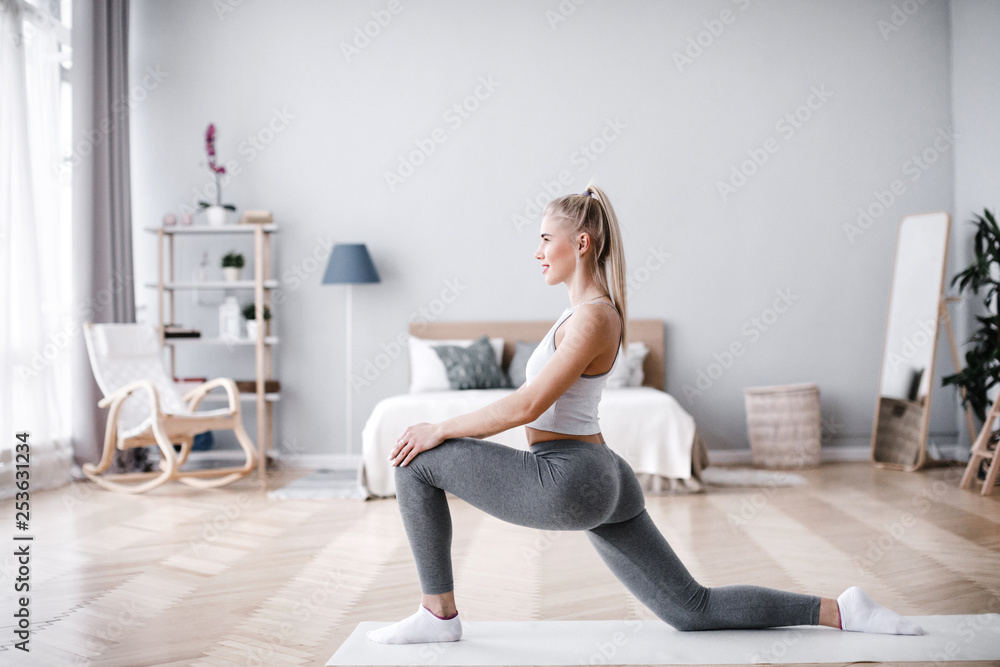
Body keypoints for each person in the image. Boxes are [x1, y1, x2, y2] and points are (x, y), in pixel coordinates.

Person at [366, 185, 924, 645]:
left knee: (415, 462)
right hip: (604, 475)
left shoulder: (592, 318)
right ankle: (842, 611)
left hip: (569, 477)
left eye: (544, 240)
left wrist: (438, 427)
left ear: (580, 243)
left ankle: (438, 617)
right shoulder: (588, 314)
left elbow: (529, 405)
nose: (537, 252)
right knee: (691, 609)